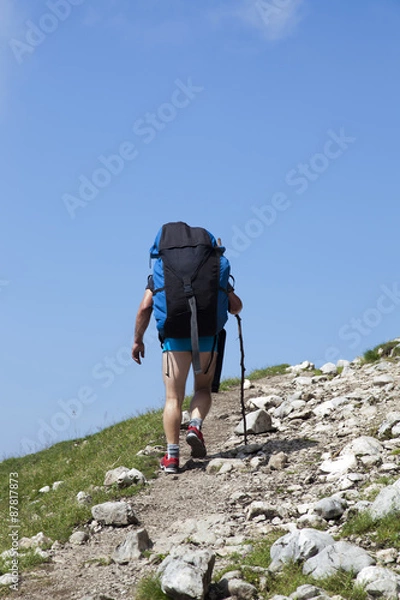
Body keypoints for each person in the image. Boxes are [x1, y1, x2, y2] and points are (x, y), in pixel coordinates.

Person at [131, 234, 243, 475]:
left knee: (173, 398)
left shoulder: (162, 270)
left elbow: (144, 308)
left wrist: (138, 340)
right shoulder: (214, 270)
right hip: (207, 338)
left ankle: (171, 459)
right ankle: (195, 425)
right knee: (202, 389)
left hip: (174, 339)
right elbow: (236, 306)